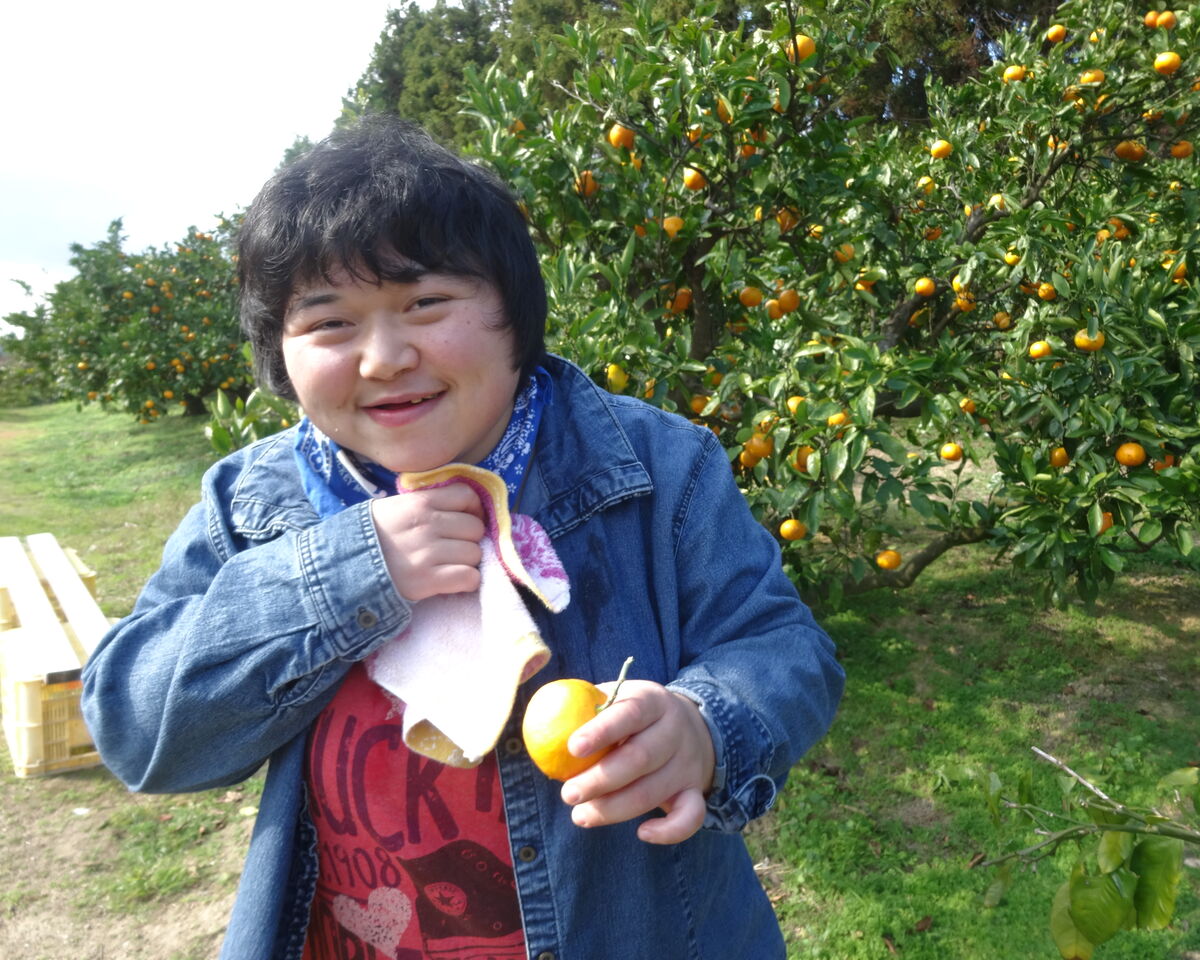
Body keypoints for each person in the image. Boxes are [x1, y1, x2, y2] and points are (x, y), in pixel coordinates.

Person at [82, 114, 844, 960]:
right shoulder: (253, 505)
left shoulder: (658, 466)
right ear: (280, 356)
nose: (383, 358)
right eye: (330, 323)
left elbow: (782, 647)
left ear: (514, 314)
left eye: (425, 304)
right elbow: (136, 727)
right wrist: (346, 572)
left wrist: (705, 729)